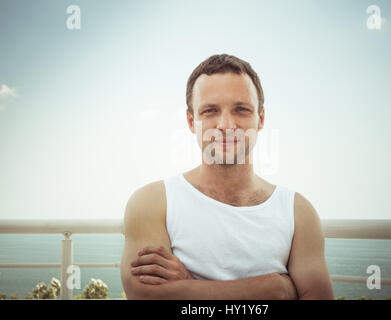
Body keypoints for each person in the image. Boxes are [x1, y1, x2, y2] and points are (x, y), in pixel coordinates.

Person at [120, 54, 334, 300]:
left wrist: (189, 285)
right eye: (210, 111)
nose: (225, 124)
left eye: (241, 109)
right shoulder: (153, 202)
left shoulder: (298, 212)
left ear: (260, 118)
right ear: (191, 121)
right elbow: (145, 296)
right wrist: (274, 288)